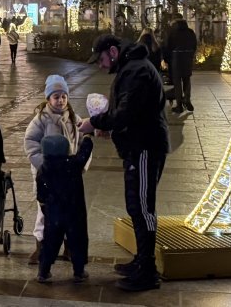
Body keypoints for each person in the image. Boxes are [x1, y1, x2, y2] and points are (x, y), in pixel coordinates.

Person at [80, 34, 168, 292]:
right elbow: (125, 112)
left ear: (114, 52)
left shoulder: (135, 71)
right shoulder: (133, 68)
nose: (100, 65)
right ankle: (141, 261)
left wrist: (94, 123)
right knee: (136, 205)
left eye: (101, 59)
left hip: (144, 147)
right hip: (138, 145)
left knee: (142, 208)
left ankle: (147, 271)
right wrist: (108, 125)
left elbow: (126, 113)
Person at [23, 74, 84, 265]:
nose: (61, 100)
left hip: (68, 176)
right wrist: (44, 165)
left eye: (63, 96)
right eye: (56, 96)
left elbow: (82, 142)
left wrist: (80, 165)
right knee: (46, 211)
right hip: (48, 176)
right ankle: (41, 246)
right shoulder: (41, 120)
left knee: (70, 212)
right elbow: (31, 142)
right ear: (48, 98)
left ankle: (69, 247)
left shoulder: (74, 119)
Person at [35, 133, 93, 284]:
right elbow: (84, 154)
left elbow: (41, 195)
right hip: (75, 213)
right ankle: (79, 272)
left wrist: (45, 208)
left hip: (53, 214)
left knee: (50, 242)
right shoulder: (73, 164)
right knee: (77, 241)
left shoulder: (43, 170)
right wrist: (87, 138)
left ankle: (44, 271)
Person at [162, 15, 197, 113]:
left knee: (177, 82)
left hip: (176, 58)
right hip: (187, 58)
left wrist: (167, 59)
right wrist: (191, 55)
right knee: (187, 79)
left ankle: (179, 105)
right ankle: (187, 99)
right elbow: (194, 45)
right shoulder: (190, 32)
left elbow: (167, 46)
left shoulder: (172, 33)